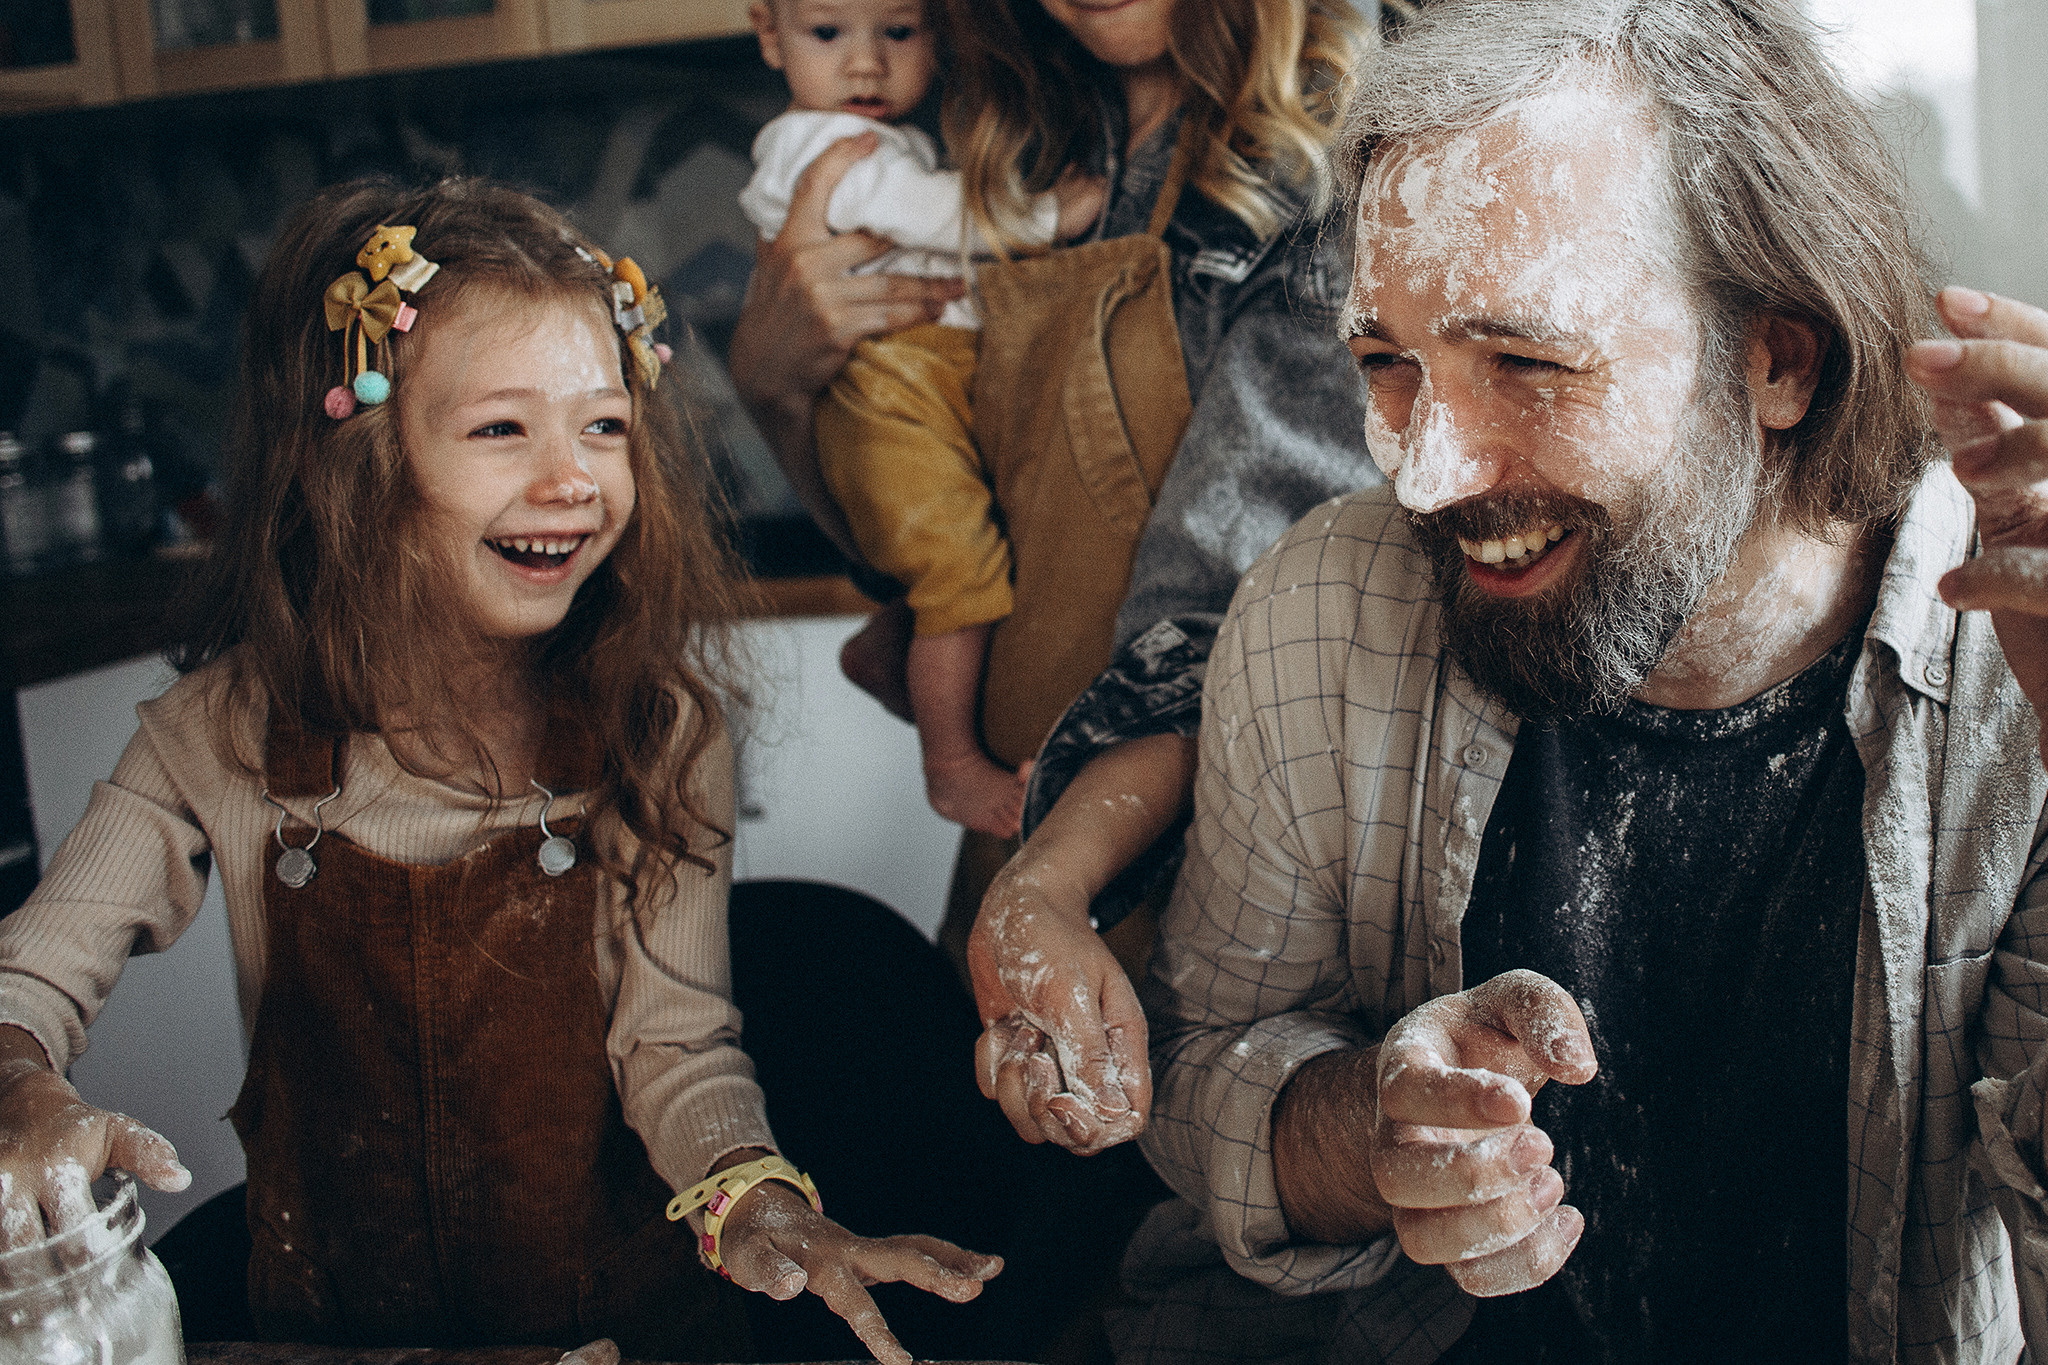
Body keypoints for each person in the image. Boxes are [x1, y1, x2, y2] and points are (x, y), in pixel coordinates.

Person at [1106, 1, 2048, 1361]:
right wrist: (1364, 1124)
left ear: (1778, 360)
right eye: (1388, 366)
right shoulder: (1324, 606)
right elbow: (1201, 1065)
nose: (1421, 472)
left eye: (1528, 364)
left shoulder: (2017, 659)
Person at [0, 176, 998, 1360]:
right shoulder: (218, 736)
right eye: (499, 427)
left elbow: (677, 1051)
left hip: (614, 1332)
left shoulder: (659, 732)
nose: (572, 478)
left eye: (603, 424)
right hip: (336, 1335)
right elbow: (28, 985)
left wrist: (761, 1208)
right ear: (354, 458)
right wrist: (23, 1091)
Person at [729, 0, 1379, 1050]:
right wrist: (778, 393)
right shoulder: (1015, 147)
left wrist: (1058, 874)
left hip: (1229, 896)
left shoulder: (1327, 154)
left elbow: (1222, 604)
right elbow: (924, 547)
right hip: (1019, 851)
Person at [740, 0, 1106, 838]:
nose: (865, 65)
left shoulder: (885, 138)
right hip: (888, 389)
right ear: (768, 34)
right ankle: (949, 764)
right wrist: (1049, 218)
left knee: (958, 553)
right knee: (963, 572)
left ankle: (889, 644)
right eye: (828, 34)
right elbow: (931, 216)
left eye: (897, 33)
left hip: (918, 382)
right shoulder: (821, 144)